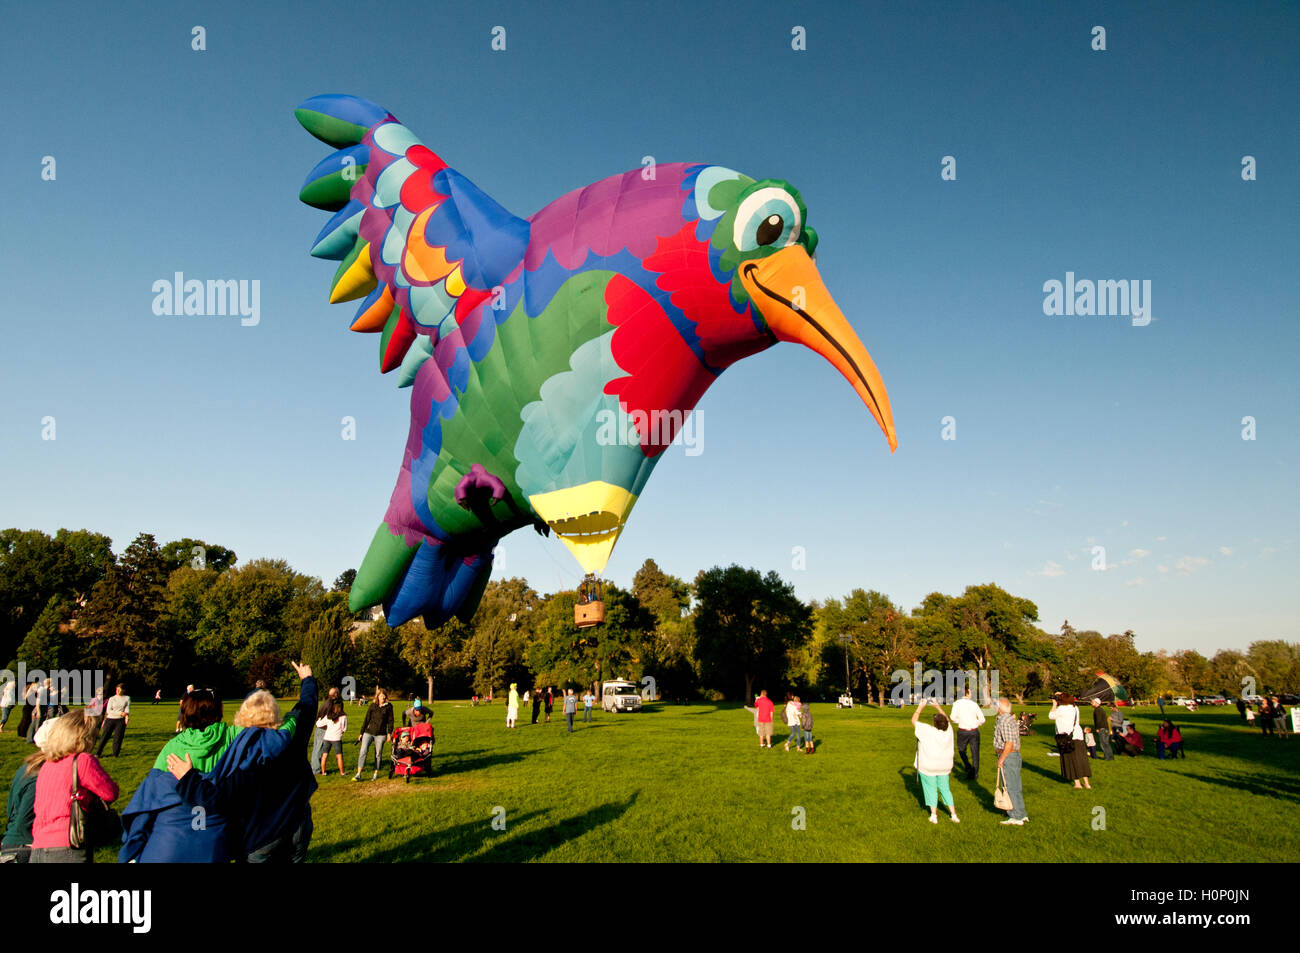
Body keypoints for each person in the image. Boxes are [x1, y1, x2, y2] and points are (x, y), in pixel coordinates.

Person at [168, 662, 319, 862]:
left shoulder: (246, 754)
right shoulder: (292, 732)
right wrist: (307, 679)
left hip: (262, 836)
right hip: (298, 823)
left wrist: (188, 779)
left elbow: (214, 800)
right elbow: (307, 705)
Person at [119, 689, 240, 862]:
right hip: (213, 845)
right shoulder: (233, 737)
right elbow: (274, 729)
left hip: (168, 842)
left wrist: (132, 849)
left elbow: (148, 800)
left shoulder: (173, 747)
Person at [30, 712, 120, 862]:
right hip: (68, 841)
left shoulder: (48, 764)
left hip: (39, 844)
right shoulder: (82, 760)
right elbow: (110, 793)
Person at [911, 699, 959, 824]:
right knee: (945, 789)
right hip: (944, 766)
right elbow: (947, 720)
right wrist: (937, 707)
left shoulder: (928, 731)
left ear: (935, 723)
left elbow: (914, 721)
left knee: (930, 789)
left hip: (929, 766)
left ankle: (934, 815)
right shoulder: (949, 731)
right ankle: (953, 814)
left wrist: (920, 707)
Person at [993, 698, 1027, 825]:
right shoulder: (1010, 719)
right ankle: (1020, 812)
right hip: (1013, 755)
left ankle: (1016, 816)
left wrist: (1001, 759)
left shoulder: (1004, 721)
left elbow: (1009, 743)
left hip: (1008, 755)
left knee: (1009, 786)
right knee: (1015, 786)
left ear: (1000, 708)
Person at [1048, 693, 1092, 789]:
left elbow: (1051, 715)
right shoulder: (1075, 708)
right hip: (1078, 736)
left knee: (1070, 760)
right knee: (1081, 760)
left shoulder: (1061, 709)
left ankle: (1077, 783)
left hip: (1066, 738)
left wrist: (1054, 704)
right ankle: (1087, 783)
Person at [354, 690, 394, 781]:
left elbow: (390, 721)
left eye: (384, 696)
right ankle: (358, 773)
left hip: (381, 734)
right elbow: (367, 719)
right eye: (381, 696)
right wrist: (361, 733)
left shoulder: (389, 707)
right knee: (363, 751)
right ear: (377, 696)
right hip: (369, 732)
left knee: (378, 753)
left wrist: (389, 733)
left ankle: (375, 772)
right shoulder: (373, 706)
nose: (382, 698)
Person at [949, 685, 986, 779]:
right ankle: (975, 773)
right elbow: (982, 719)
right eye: (970, 692)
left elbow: (952, 717)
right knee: (975, 753)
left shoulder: (956, 704)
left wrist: (960, 721)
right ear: (967, 693)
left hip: (962, 730)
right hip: (974, 731)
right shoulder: (974, 704)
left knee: (961, 750)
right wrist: (976, 723)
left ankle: (968, 766)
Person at [310, 685, 341, 774]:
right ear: (335, 694)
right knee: (319, 749)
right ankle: (316, 769)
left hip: (319, 728)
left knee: (316, 748)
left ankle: (314, 767)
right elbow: (329, 717)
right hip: (323, 729)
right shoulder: (330, 704)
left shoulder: (326, 702)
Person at [94, 683, 130, 757]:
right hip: (110, 719)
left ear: (124, 690)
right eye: (117, 689)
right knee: (105, 737)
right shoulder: (112, 699)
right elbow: (109, 711)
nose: (118, 691)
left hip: (120, 721)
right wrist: (120, 713)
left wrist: (126, 715)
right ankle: (98, 753)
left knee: (118, 737)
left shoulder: (127, 698)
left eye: (120, 690)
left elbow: (127, 710)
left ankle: (115, 754)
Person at [316, 700, 347, 776]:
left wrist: (319, 718)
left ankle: (323, 772)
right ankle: (342, 772)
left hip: (327, 737)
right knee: (339, 756)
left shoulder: (328, 716)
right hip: (337, 738)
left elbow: (318, 724)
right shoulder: (343, 717)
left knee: (325, 755)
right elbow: (344, 728)